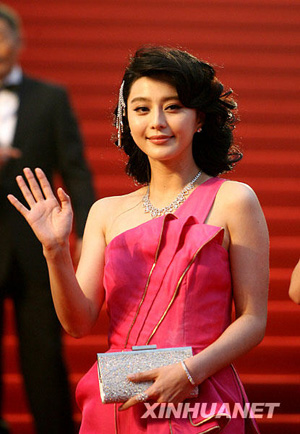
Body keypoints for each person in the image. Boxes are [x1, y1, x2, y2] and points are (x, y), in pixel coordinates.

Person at [8, 46, 269, 433]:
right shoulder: (106, 212)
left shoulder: (235, 200)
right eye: (142, 108)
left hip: (199, 397)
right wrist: (55, 251)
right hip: (119, 401)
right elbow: (78, 323)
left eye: (174, 106)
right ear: (125, 118)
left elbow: (252, 319)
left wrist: (187, 372)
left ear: (199, 118)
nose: (157, 122)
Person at [0, 4, 95, 433]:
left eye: (2, 38)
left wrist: (89, 232)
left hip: (37, 245)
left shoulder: (51, 97)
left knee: (43, 351)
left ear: (19, 43)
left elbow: (74, 166)